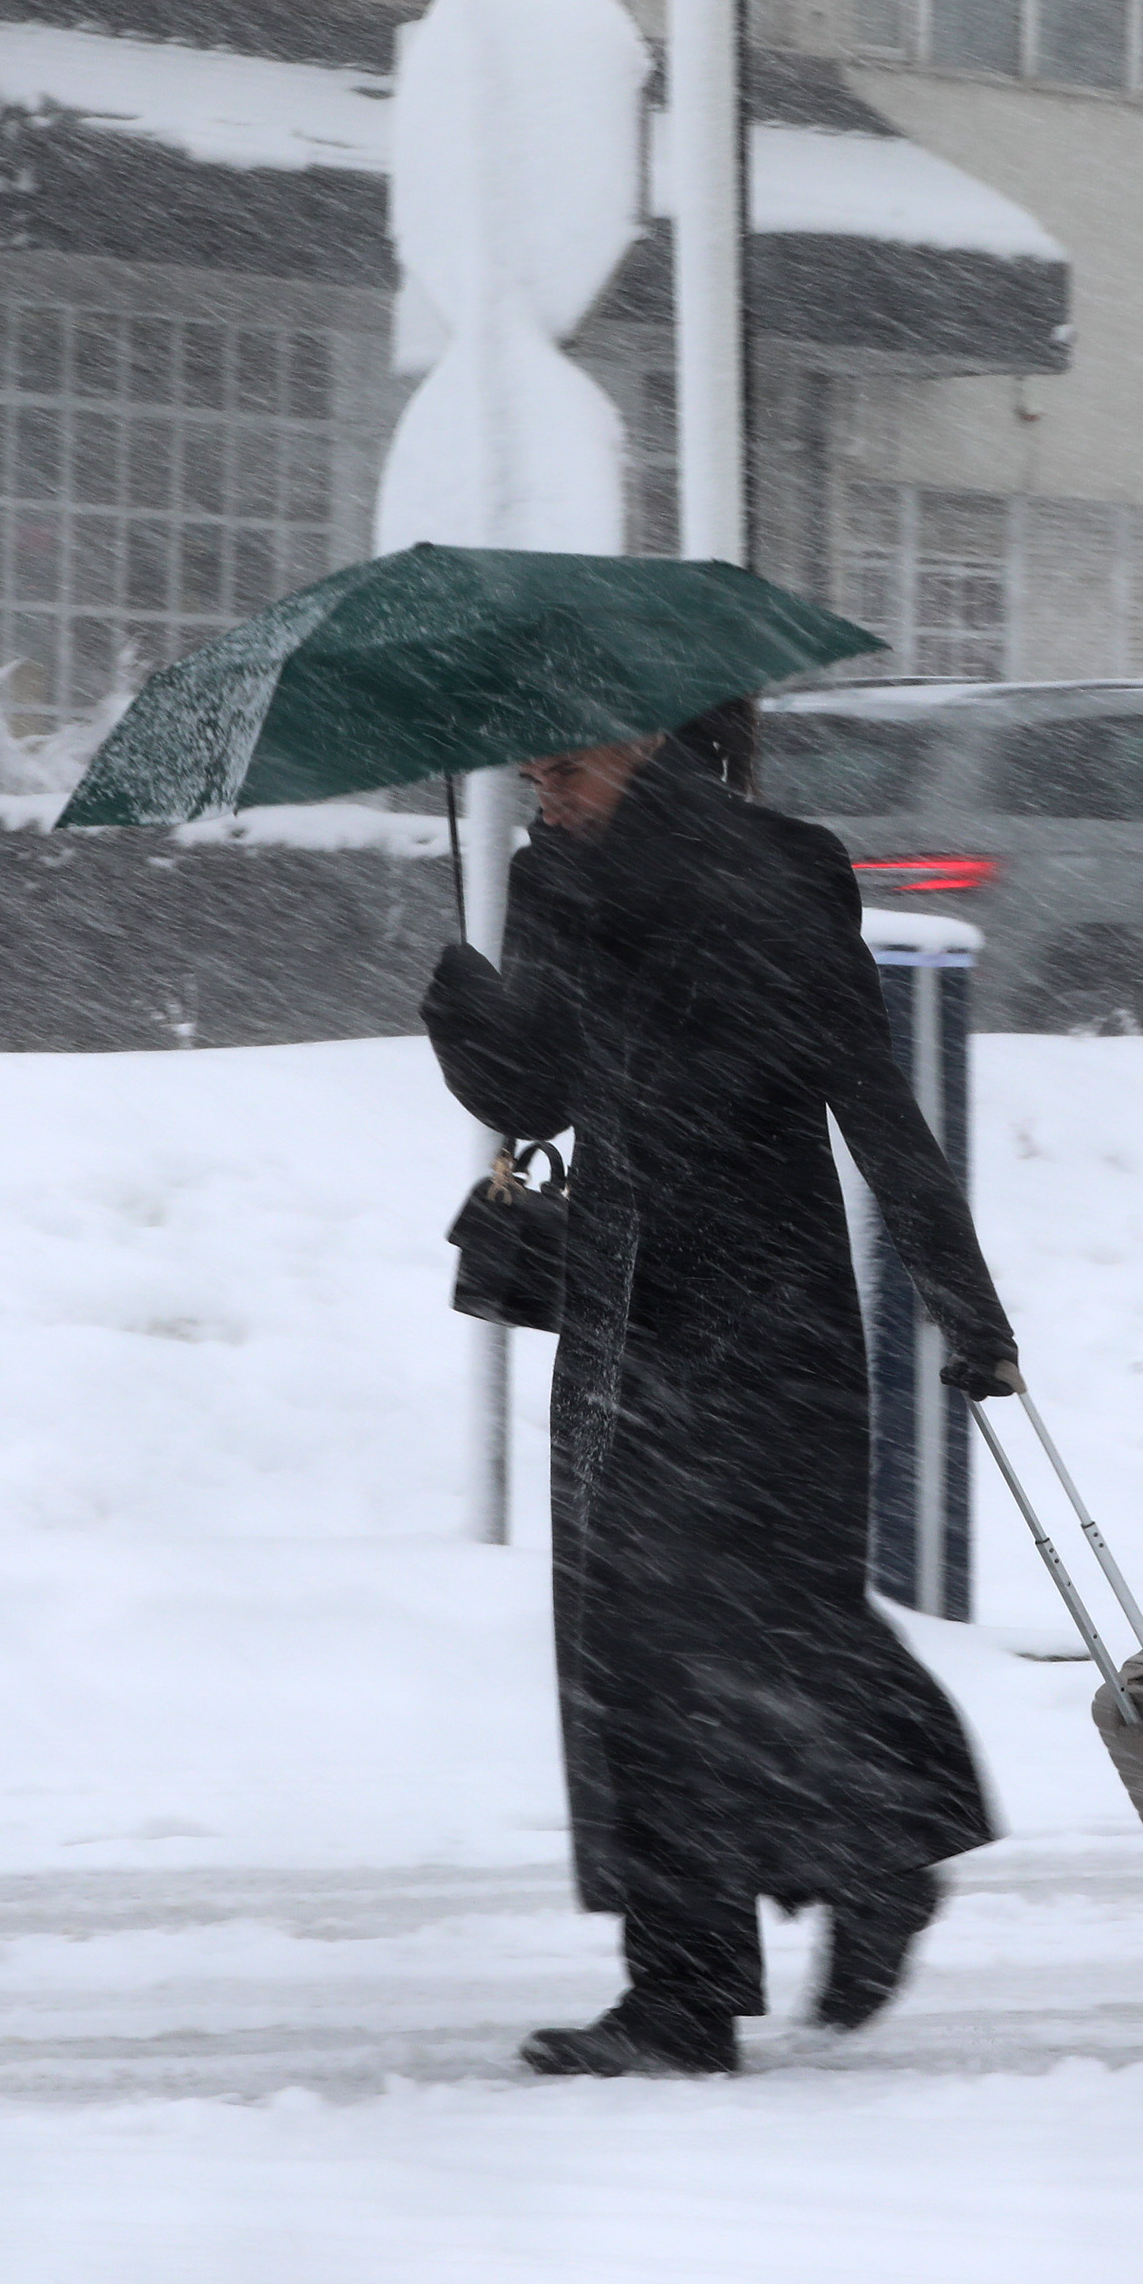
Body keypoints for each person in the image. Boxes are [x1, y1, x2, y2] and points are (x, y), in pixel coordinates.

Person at [423, 699, 1023, 2078]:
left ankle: (883, 1849)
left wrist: (962, 1297)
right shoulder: (559, 878)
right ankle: (685, 1995)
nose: (546, 796)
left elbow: (869, 1095)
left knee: (776, 1631)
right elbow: (537, 1094)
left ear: (648, 747)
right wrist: (466, 996)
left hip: (765, 1325)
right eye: (530, 771)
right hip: (626, 1321)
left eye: (564, 768)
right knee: (640, 1668)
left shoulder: (779, 870)